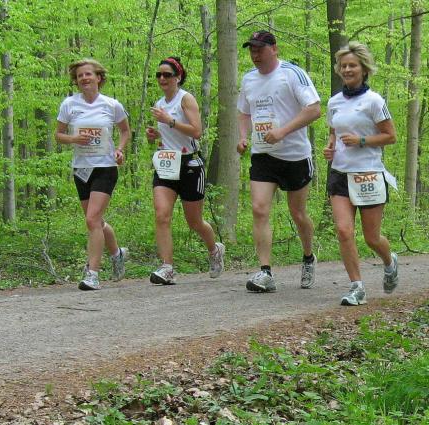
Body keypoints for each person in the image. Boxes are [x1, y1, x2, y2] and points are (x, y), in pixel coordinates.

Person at [237, 30, 321, 293]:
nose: (255, 55)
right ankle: (265, 272)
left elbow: (314, 109)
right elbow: (243, 112)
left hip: (294, 155)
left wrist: (283, 131)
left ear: (274, 49)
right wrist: (243, 137)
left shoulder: (292, 74)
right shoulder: (248, 79)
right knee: (259, 209)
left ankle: (308, 256)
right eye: (252, 50)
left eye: (260, 49)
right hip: (263, 154)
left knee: (298, 213)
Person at [323, 42, 398, 306]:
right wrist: (330, 147)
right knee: (344, 231)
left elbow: (390, 136)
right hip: (340, 174)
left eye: (352, 65)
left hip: (368, 174)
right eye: (343, 66)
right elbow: (333, 131)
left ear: (364, 69)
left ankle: (389, 261)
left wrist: (362, 141)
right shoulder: (334, 102)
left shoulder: (374, 101)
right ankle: (357, 287)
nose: (347, 70)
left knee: (372, 238)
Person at [145, 57, 224, 285]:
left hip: (189, 164)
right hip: (166, 163)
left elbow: (196, 131)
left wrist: (169, 121)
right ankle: (167, 268)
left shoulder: (185, 99)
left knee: (194, 222)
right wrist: (155, 135)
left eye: (167, 75)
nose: (162, 78)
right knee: (162, 215)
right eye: (158, 75)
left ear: (178, 77)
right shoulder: (160, 103)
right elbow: (167, 136)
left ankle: (214, 249)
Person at [55, 59, 130, 291]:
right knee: (95, 221)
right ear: (76, 81)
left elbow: (125, 131)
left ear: (99, 77)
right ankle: (117, 254)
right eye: (80, 76)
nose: (84, 78)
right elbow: (58, 135)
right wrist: (73, 139)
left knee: (91, 220)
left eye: (88, 74)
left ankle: (93, 273)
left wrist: (120, 150)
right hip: (82, 168)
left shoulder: (112, 104)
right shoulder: (69, 104)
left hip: (105, 167)